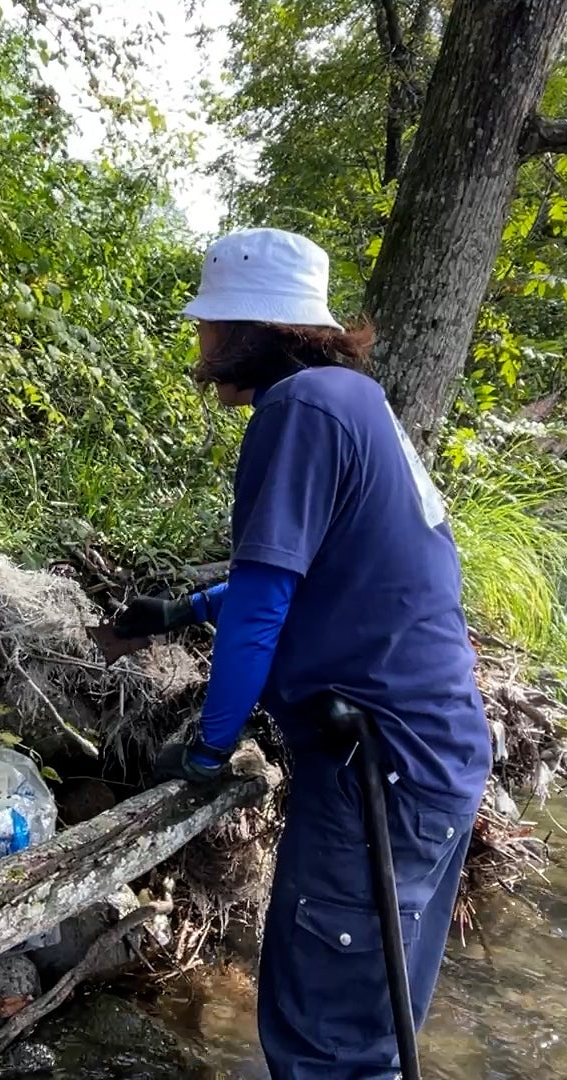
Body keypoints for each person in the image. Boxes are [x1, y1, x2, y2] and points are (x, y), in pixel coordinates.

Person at [105, 229, 490, 1077]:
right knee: (375, 1018)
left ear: (251, 328)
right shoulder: (353, 401)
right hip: (437, 754)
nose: (201, 344)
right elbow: (317, 577)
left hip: (379, 771)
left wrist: (209, 750)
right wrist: (178, 612)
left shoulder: (298, 411)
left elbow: (263, 609)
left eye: (209, 326)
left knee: (325, 1034)